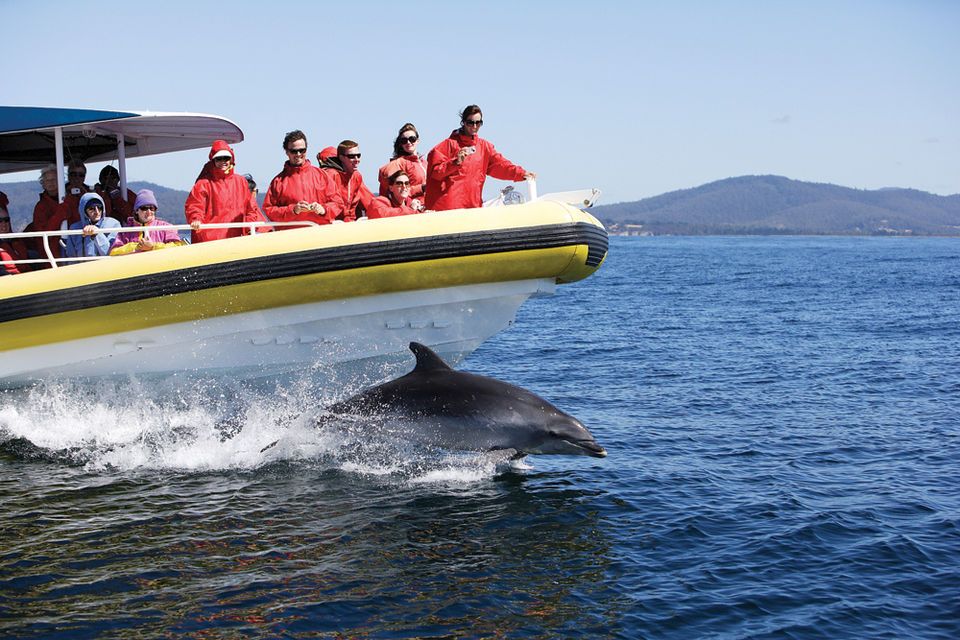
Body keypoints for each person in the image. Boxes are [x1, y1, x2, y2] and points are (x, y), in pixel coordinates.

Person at [425, 104, 535, 211]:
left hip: (472, 207)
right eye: (470, 122)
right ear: (463, 122)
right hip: (450, 209)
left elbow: (501, 165)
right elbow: (435, 172)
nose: (474, 126)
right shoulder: (447, 145)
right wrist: (455, 162)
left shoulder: (484, 147)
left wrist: (521, 174)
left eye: (478, 122)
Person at [263, 130, 343, 228]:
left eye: (302, 150)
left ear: (306, 150)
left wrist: (323, 209)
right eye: (294, 151)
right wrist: (293, 210)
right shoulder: (278, 181)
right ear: (287, 152)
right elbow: (269, 210)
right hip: (291, 238)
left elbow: (338, 203)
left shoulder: (322, 176)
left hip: (321, 235)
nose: (298, 154)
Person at [185, 140, 261, 243]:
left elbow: (251, 208)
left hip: (236, 240)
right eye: (218, 159)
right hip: (209, 242)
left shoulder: (241, 181)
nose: (223, 161)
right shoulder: (203, 184)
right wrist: (195, 219)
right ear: (213, 161)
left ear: (231, 159)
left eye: (226, 158)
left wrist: (249, 228)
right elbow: (194, 206)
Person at [109, 189, 186, 255]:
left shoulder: (166, 227)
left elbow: (177, 246)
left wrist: (153, 247)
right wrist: (135, 247)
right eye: (144, 208)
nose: (149, 212)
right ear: (136, 211)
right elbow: (113, 252)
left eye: (152, 208)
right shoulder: (125, 231)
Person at [317, 140, 374, 221]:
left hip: (347, 223)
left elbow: (356, 205)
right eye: (352, 156)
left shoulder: (356, 176)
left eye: (358, 155)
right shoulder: (331, 175)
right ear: (341, 157)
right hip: (332, 223)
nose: (356, 159)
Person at [63, 193, 120, 259]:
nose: (97, 212)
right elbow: (71, 257)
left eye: (99, 207)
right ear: (84, 210)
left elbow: (110, 253)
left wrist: (97, 234)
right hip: (82, 268)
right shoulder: (74, 228)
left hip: (106, 266)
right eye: (91, 208)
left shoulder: (113, 224)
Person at [378, 123, 427, 201]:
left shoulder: (425, 163)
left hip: (430, 208)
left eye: (412, 139)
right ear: (401, 144)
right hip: (412, 209)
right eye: (404, 140)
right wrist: (421, 188)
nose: (408, 142)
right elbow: (395, 192)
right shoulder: (397, 164)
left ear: (418, 141)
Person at [1, 205, 31, 275]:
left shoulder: (16, 241)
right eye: (0, 221)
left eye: (6, 220)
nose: (4, 224)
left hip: (25, 278)